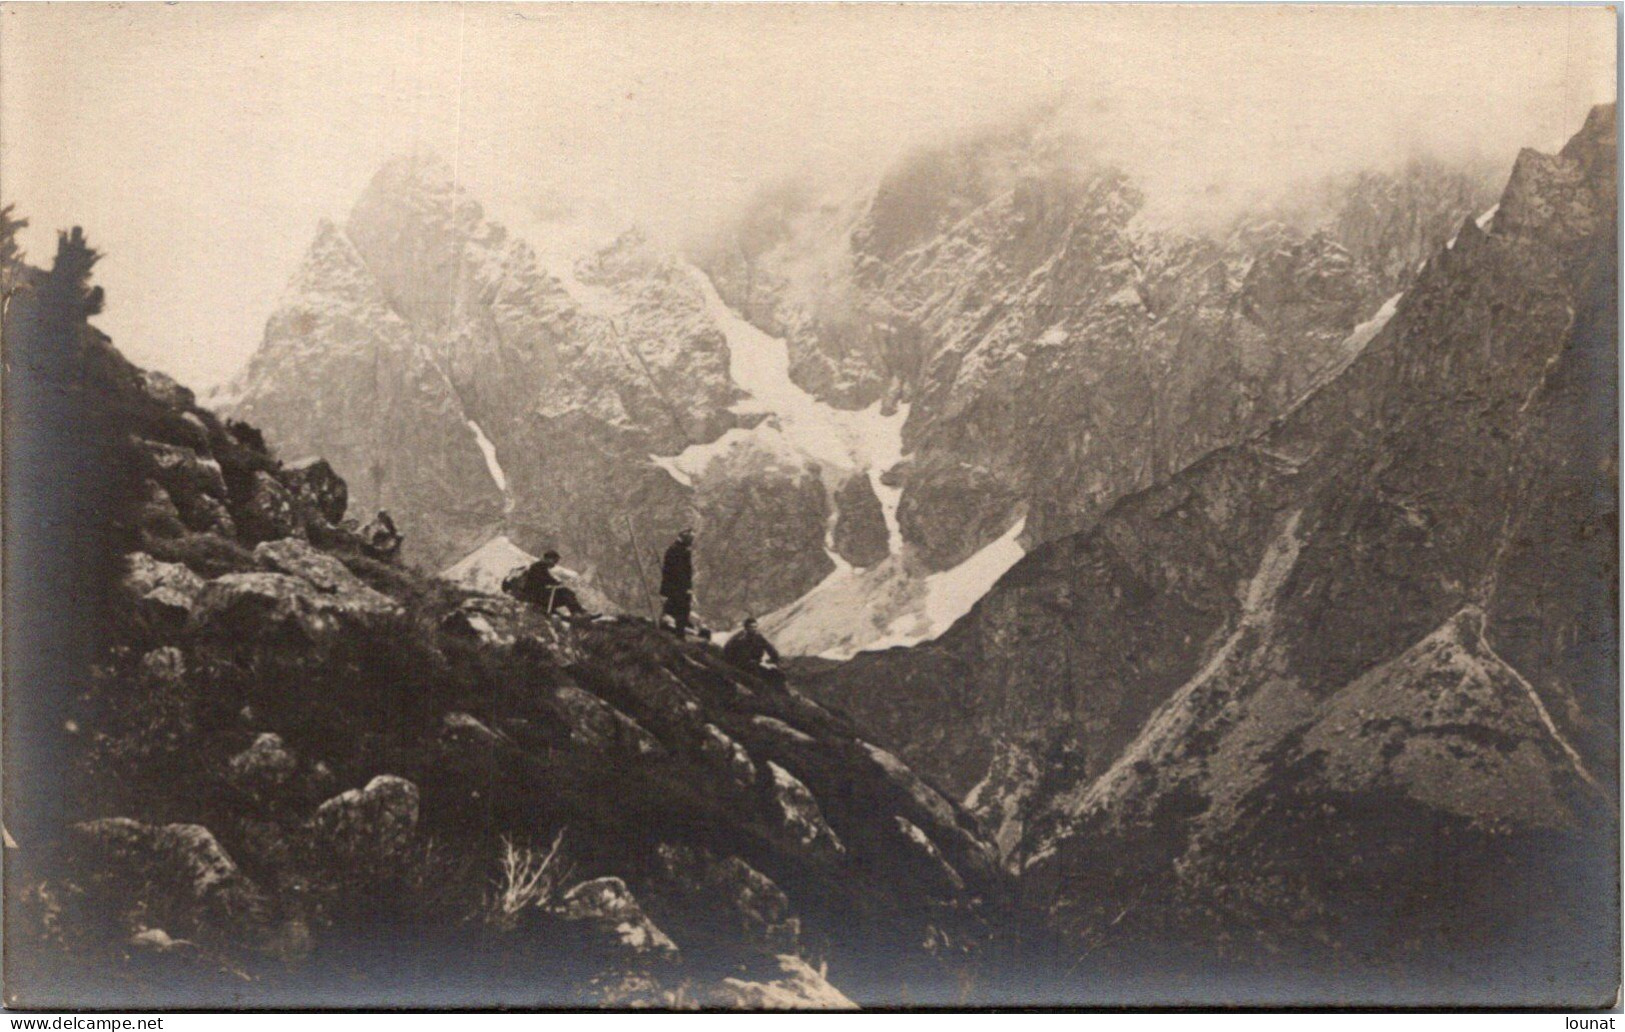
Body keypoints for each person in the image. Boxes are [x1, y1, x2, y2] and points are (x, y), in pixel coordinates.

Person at [504, 549, 592, 618]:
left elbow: (544, 579)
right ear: (549, 559)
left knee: (565, 593)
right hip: (535, 596)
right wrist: (555, 582)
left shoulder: (539, 566)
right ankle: (577, 613)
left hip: (536, 595)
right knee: (565, 592)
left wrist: (553, 582)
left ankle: (577, 612)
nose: (555, 564)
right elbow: (543, 579)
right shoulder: (538, 566)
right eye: (555, 561)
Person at [659, 528, 695, 637]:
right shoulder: (679, 552)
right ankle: (679, 633)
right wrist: (686, 588)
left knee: (673, 609)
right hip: (677, 588)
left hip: (673, 588)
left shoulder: (676, 550)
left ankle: (673, 630)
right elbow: (680, 572)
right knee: (680, 609)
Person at [722, 617, 782, 682]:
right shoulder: (738, 639)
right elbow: (728, 652)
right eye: (751, 627)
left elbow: (770, 648)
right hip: (743, 666)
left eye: (755, 627)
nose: (754, 629)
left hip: (756, 663)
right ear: (746, 628)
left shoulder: (758, 637)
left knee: (777, 674)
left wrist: (774, 658)